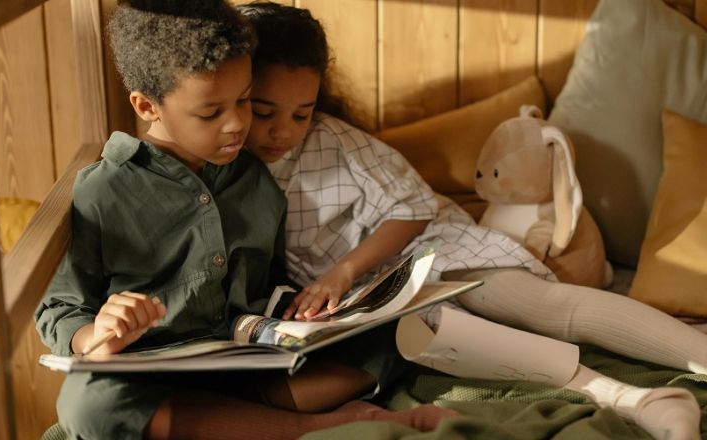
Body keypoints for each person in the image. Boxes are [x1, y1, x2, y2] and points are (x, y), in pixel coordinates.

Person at [238, 3, 707, 440]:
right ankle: (645, 402)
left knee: (540, 310)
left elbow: (411, 209)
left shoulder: (333, 141)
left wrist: (341, 272)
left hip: (433, 249)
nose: (284, 131)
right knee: (466, 343)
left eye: (301, 112)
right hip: (379, 303)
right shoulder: (228, 164)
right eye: (264, 113)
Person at [35, 2, 455, 439]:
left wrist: (303, 316)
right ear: (147, 106)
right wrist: (96, 336)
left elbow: (268, 282)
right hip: (151, 373)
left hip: (248, 364)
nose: (237, 123)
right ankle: (318, 424)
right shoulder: (102, 191)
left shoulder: (256, 181)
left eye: (244, 100)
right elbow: (59, 308)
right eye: (210, 113)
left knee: (395, 337)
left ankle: (223, 420)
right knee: (86, 403)